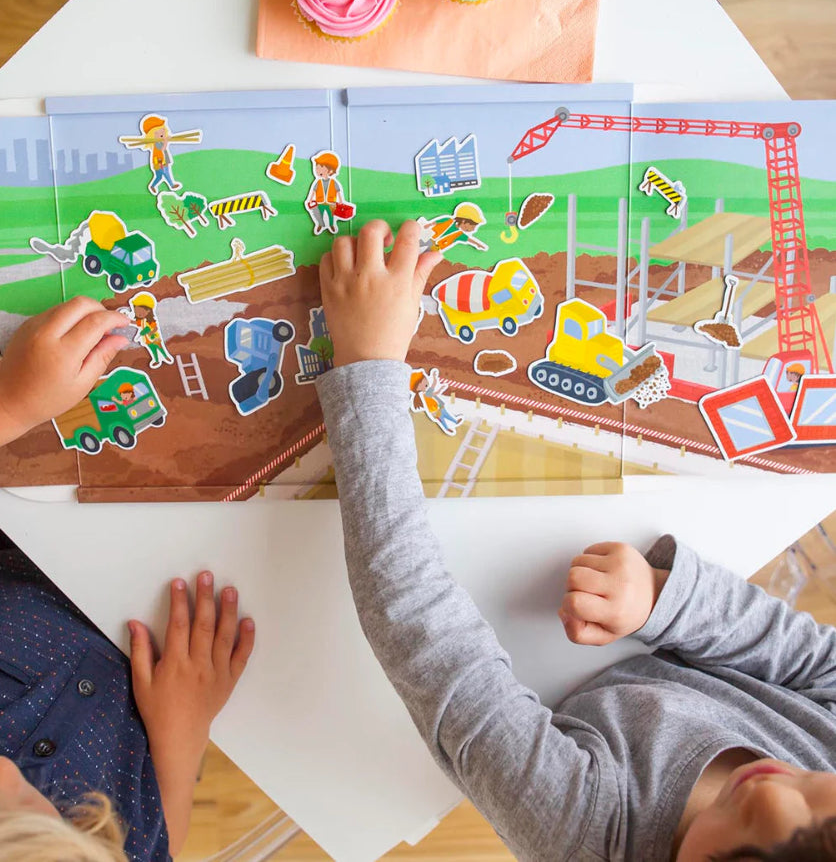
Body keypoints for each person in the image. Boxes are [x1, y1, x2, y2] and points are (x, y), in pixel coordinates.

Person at [314, 218, 836, 861]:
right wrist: (663, 601)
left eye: (747, 856)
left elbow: (425, 637)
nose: (773, 798)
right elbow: (817, 664)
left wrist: (368, 365)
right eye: (829, 818)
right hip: (624, 637)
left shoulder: (585, 832)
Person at [0, 297, 255, 861]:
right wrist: (181, 741)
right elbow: (159, 847)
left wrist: (6, 403)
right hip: (189, 620)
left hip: (33, 535)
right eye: (48, 815)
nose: (2, 771)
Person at [418, 202, 488, 253]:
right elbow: (437, 222)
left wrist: (478, 244)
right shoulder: (448, 220)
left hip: (435, 248)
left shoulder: (459, 234)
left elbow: (469, 239)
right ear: (463, 221)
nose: (473, 229)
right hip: (428, 237)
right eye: (472, 226)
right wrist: (429, 224)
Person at [305, 151, 345, 236]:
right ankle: (320, 224)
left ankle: (331, 225)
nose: (316, 169)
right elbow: (314, 191)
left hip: (331, 203)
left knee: (330, 215)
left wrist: (341, 201)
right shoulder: (318, 182)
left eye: (319, 167)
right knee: (320, 214)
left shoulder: (333, 182)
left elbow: (338, 191)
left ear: (330, 171)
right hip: (320, 202)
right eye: (316, 167)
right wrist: (310, 199)